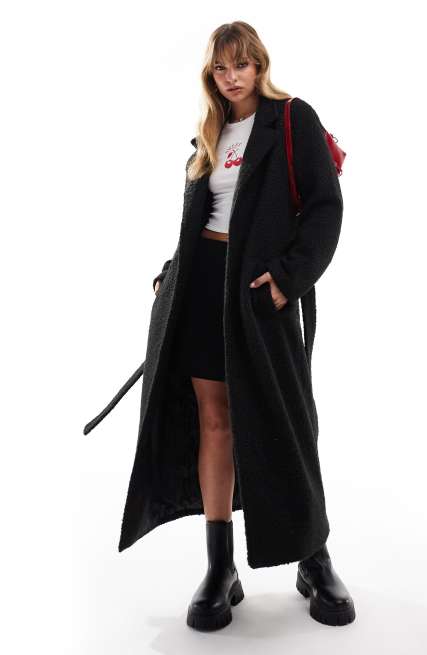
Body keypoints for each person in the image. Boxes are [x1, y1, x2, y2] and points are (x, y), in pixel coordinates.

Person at [84, 20, 355, 632]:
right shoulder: (210, 132)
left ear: (260, 65)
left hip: (260, 294)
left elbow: (324, 209)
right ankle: (219, 568)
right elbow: (199, 218)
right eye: (220, 68)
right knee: (214, 421)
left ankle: (313, 557)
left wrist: (289, 278)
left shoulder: (292, 119)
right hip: (202, 284)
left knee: (285, 419)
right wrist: (171, 273)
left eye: (241, 65)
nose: (231, 77)